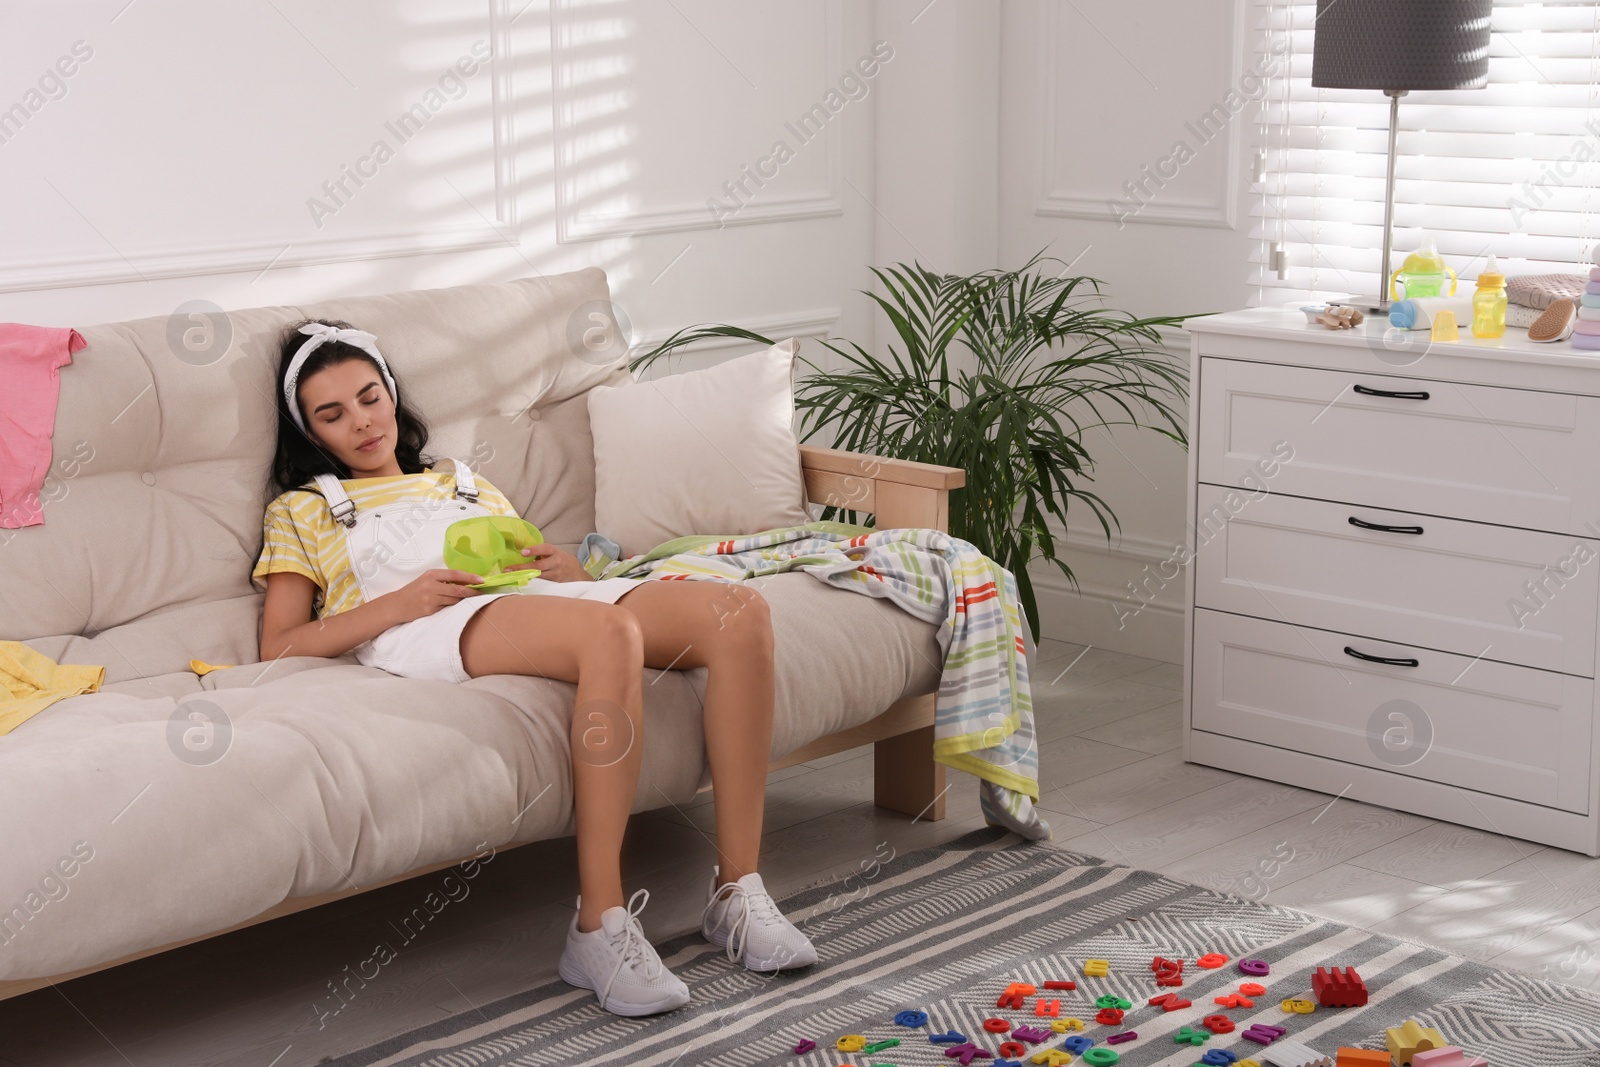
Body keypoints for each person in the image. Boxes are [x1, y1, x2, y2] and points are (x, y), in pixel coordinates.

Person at [251, 319, 816, 1017]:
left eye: (370, 397)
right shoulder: (303, 509)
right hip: (427, 626)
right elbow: (278, 642)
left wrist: (565, 565)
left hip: (521, 602)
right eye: (331, 414)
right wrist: (401, 602)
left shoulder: (463, 481)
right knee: (610, 630)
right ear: (310, 432)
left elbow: (518, 568)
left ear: (393, 394)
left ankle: (737, 890)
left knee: (739, 612)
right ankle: (599, 925)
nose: (362, 423)